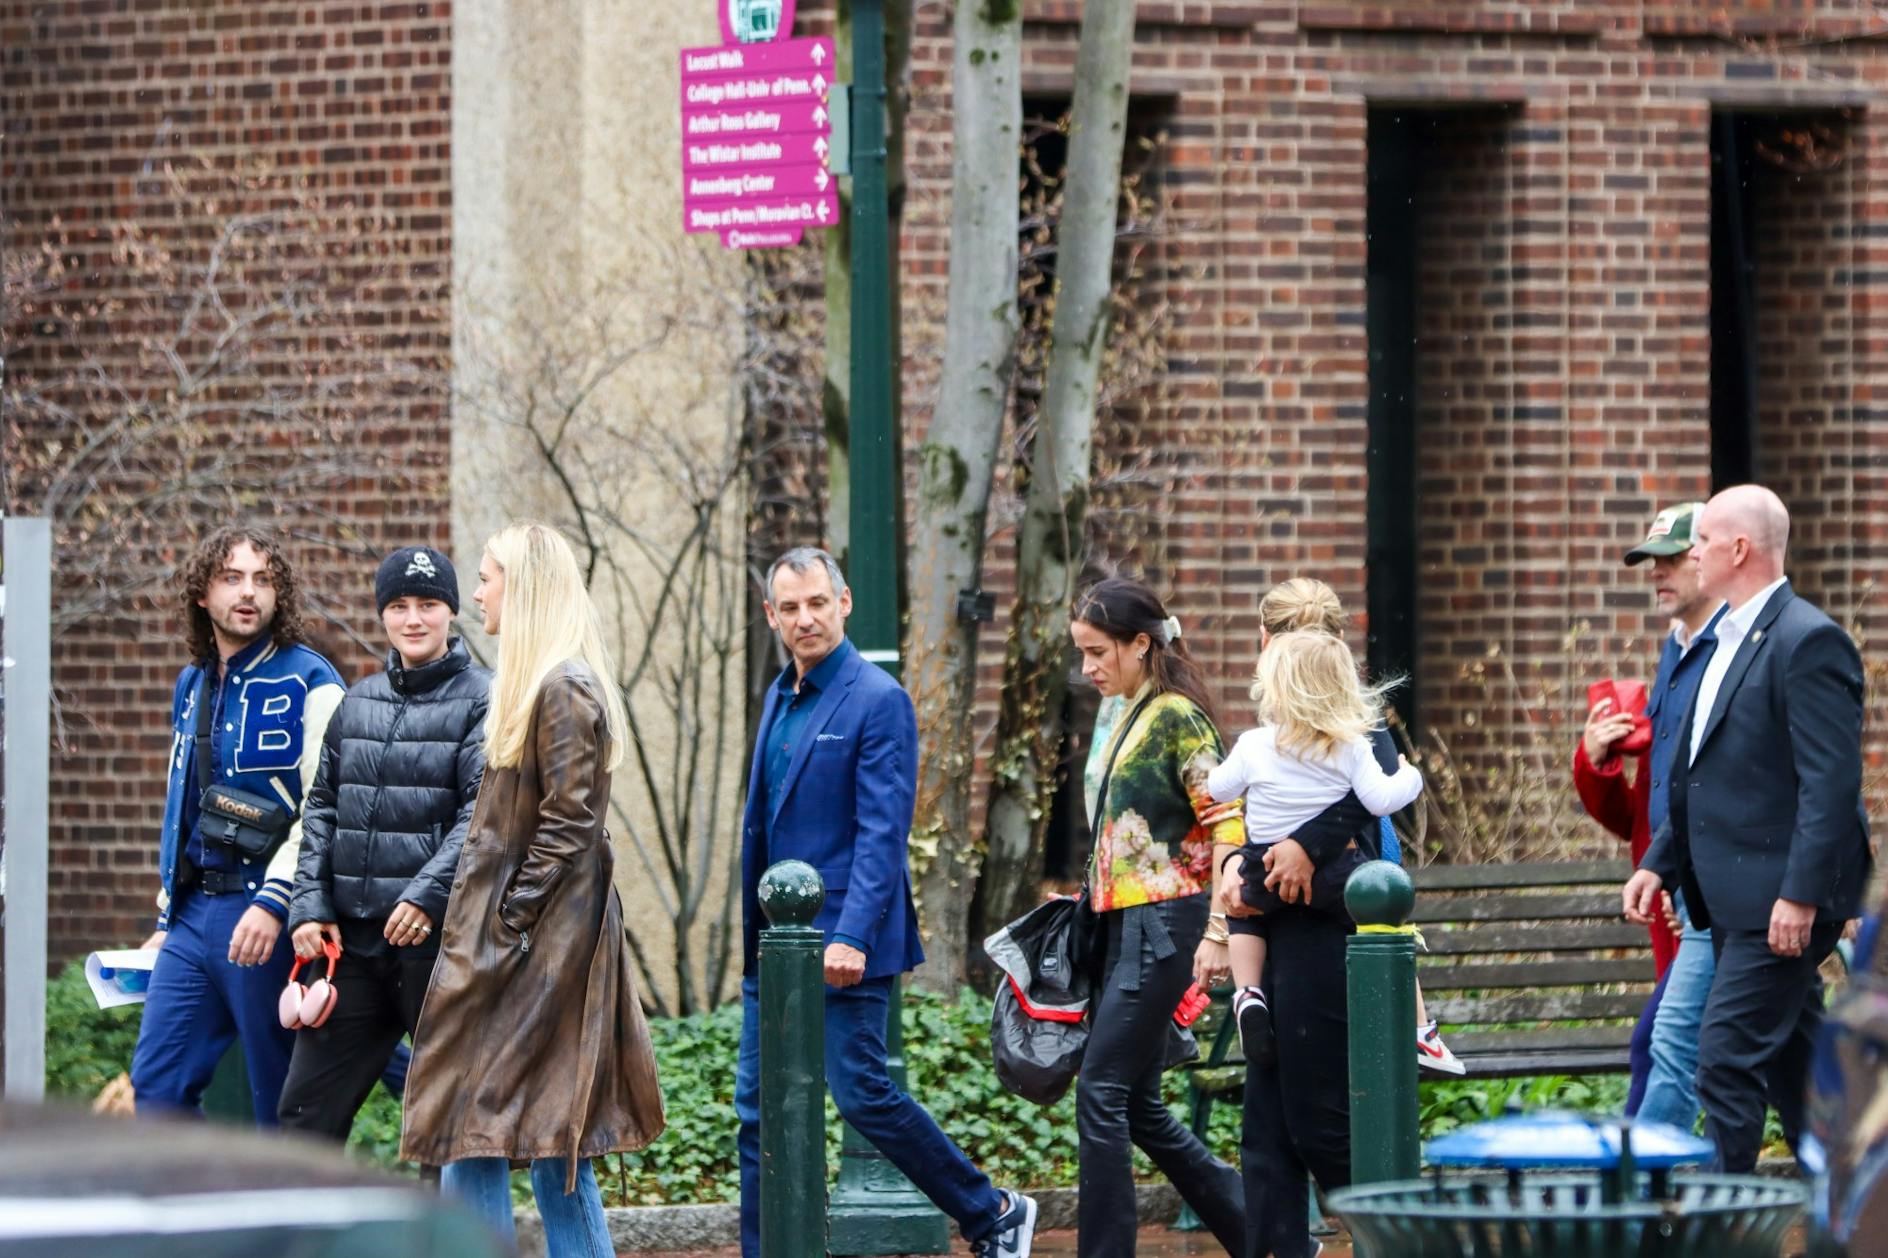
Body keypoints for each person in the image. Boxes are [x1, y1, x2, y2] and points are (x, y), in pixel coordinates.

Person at [734, 547, 1037, 1258]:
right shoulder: (779, 697)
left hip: (842, 942)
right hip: (772, 945)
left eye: (817, 602)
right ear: (773, 616)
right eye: (790, 608)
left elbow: (882, 832)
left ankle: (991, 1211)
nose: (804, 618)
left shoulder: (877, 699)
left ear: (844, 603)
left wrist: (855, 936)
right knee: (755, 1115)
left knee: (863, 1092)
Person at [401, 523, 665, 1258]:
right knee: (493, 1133)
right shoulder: (542, 686)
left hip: (540, 954)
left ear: (524, 589)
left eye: (487, 576)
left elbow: (570, 822)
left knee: (543, 1139)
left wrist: (510, 922)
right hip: (533, 949)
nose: (477, 590)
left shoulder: (562, 687)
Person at [1627, 485, 1873, 1172]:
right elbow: (1701, 774)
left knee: (1725, 1058)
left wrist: (1800, 896)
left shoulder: (1808, 639)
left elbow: (1829, 785)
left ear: (1739, 549)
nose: (1692, 551)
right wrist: (1661, 863)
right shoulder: (1720, 640)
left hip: (1778, 904)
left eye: (1702, 539)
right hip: (1730, 898)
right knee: (1798, 1074)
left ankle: (1722, 1227)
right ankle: (1852, 1202)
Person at [1191, 577, 1398, 1258]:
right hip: (1270, 916)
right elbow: (1235, 803)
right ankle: (1277, 1248)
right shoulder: (1268, 734)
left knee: (1315, 1115)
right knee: (1267, 1116)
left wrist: (1300, 846)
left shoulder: (1358, 726)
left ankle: (1391, 1236)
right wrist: (1232, 870)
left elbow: (1375, 804)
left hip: (1327, 923)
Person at [129, 525, 345, 1124]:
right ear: (203, 593)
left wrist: (277, 901)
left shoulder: (312, 680)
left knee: (280, 1102)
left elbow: (327, 805)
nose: (248, 593)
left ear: (280, 595)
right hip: (195, 918)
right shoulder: (192, 683)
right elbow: (183, 808)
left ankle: (289, 1218)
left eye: (263, 580)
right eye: (232, 578)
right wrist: (166, 915)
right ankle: (195, 1216)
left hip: (268, 915)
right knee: (158, 1089)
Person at [277, 545, 490, 1137]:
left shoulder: (483, 698)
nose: (413, 618)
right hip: (352, 948)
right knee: (304, 1115)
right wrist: (309, 906)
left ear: (451, 613)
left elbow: (483, 815)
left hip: (437, 947)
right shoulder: (358, 701)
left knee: (444, 1129)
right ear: (383, 615)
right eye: (398, 605)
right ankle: (306, 1233)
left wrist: (427, 897)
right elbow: (319, 808)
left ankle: (441, 1233)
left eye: (428, 604)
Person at [1068, 577, 1247, 1258]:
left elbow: (1230, 820)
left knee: (1101, 1089)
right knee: (1135, 1103)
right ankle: (1258, 1232)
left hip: (1165, 922)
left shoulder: (1175, 716)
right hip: (1125, 926)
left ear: (1141, 644)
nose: (1087, 668)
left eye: (1097, 652)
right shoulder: (1127, 711)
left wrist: (1219, 932)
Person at [1206, 629, 1441, 1072]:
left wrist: (1221, 774)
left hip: (1261, 869)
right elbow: (1380, 801)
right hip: (1335, 876)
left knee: (1242, 914)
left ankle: (1248, 993)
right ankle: (1416, 1031)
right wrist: (1410, 776)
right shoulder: (1350, 746)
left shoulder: (1255, 745)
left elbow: (1219, 790)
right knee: (1382, 929)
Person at [1573, 502, 1721, 1125]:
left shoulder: (1738, 650)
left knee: (1664, 1046)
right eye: (1651, 562)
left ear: (1710, 557)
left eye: (1671, 560)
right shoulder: (1676, 651)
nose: (1657, 573)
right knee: (1765, 1055)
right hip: (1674, 893)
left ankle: (1639, 1190)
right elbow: (1648, 808)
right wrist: (1595, 758)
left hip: (1720, 895)